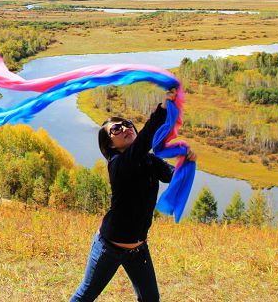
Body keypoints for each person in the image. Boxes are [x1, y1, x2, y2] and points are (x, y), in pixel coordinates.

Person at [71, 88, 197, 302]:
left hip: (138, 248)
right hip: (109, 248)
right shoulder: (118, 165)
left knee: (150, 299)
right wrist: (163, 109)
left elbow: (171, 176)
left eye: (127, 124)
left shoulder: (149, 160)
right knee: (86, 295)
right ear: (110, 144)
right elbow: (143, 142)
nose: (125, 128)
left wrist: (186, 161)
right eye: (116, 129)